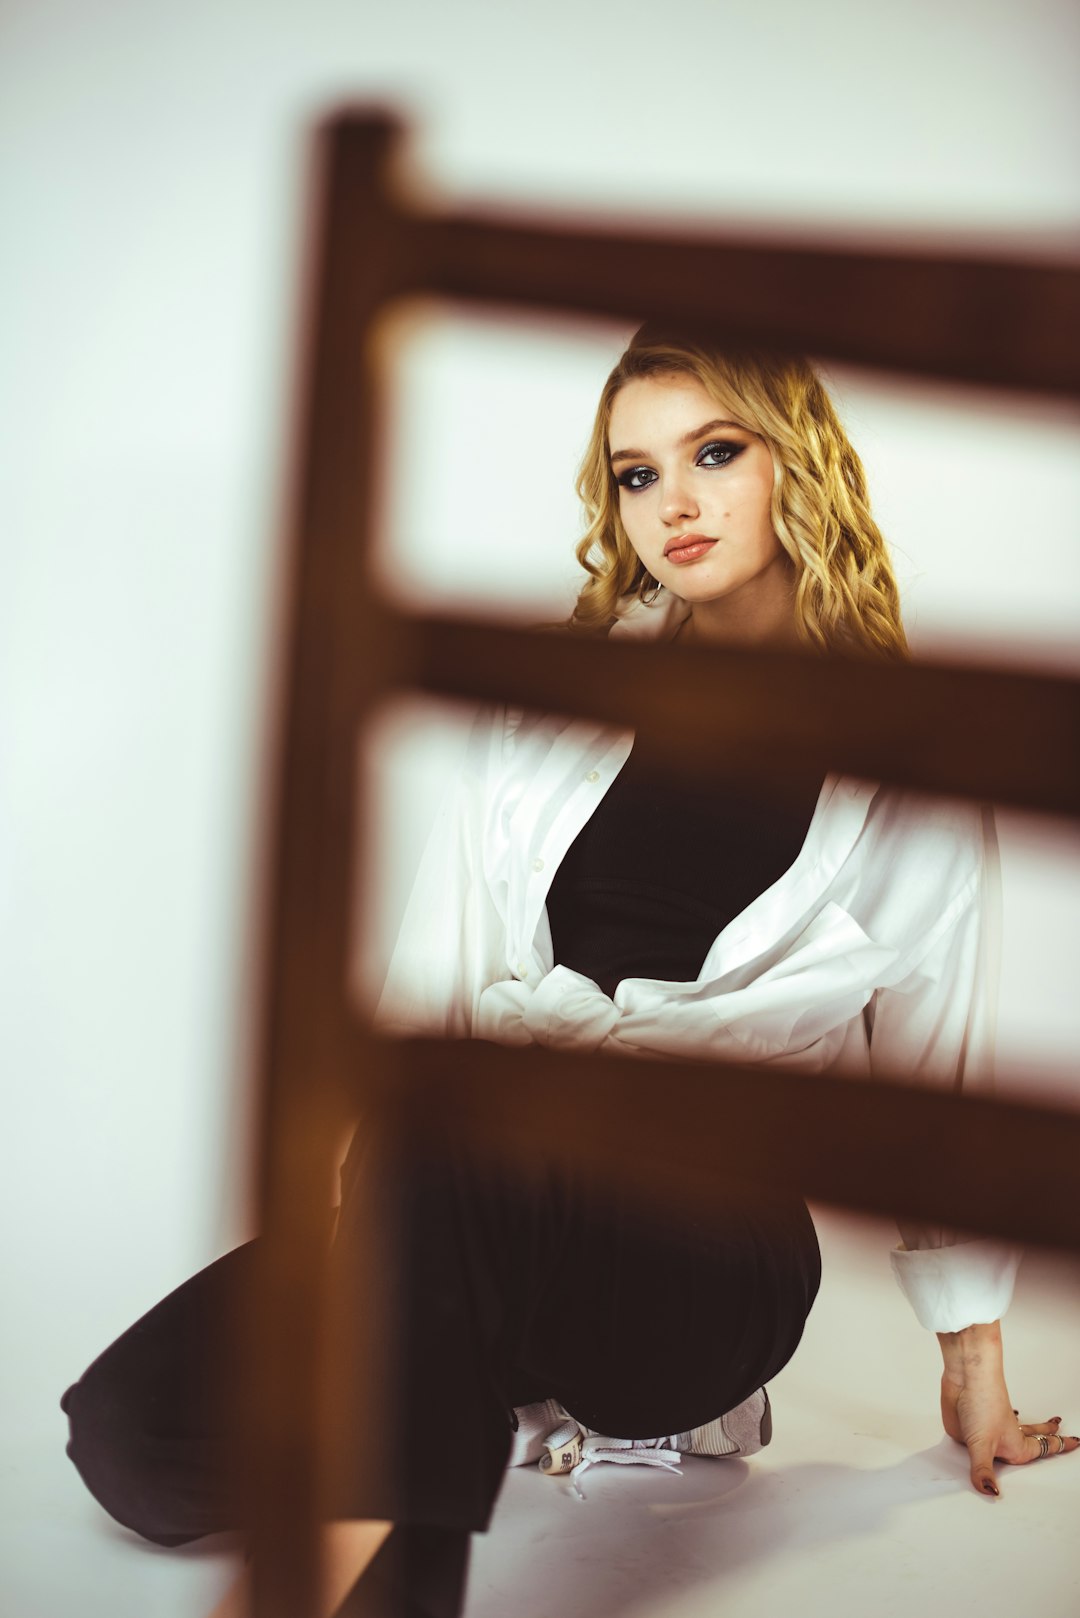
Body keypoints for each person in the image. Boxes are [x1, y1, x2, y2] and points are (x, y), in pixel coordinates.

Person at [60, 326, 1076, 1618]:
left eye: (716, 452)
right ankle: (454, 1377)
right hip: (475, 1196)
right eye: (638, 473)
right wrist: (364, 1229)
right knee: (132, 1438)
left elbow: (946, 1070)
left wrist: (970, 1358)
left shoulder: (910, 753)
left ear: (798, 461)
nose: (677, 504)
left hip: (705, 1239)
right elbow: (437, 976)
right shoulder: (556, 691)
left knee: (475, 1126)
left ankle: (355, 1586)